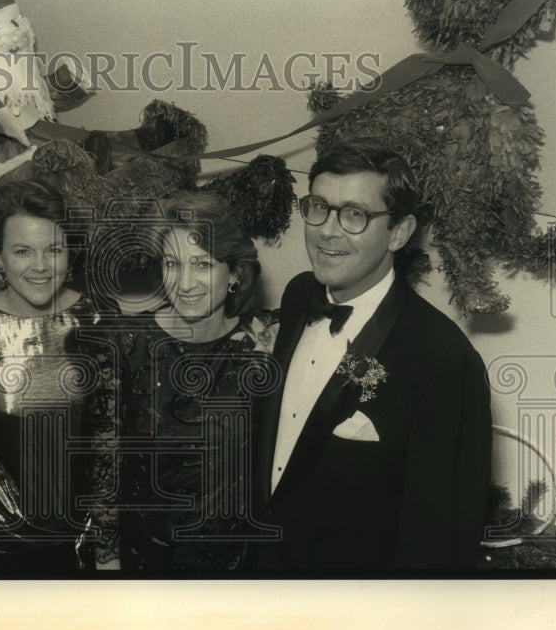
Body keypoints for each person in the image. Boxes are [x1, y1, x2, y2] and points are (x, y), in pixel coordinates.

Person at [254, 139, 492, 571]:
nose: (327, 229)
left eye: (355, 214)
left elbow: (441, 538)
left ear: (399, 232)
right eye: (318, 207)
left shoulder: (443, 357)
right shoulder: (298, 295)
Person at [98, 190, 279, 571]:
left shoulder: (265, 342)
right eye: (171, 263)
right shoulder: (125, 343)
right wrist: (107, 558)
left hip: (236, 568)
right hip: (144, 562)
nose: (185, 283)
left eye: (202, 264)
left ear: (234, 272)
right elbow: (103, 464)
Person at [0, 179, 113, 574]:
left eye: (53, 250)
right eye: (23, 251)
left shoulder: (97, 322)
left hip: (88, 544)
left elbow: (116, 442)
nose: (40, 266)